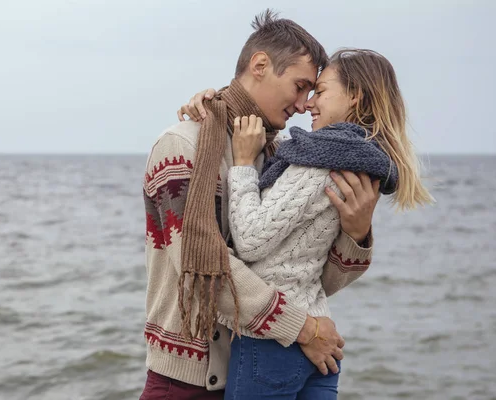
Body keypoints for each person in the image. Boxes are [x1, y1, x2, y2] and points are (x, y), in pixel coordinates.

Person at [140, 10, 380, 400]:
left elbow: (305, 276)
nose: (304, 104)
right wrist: (303, 328)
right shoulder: (181, 147)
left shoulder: (280, 159)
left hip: (262, 362)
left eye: (312, 92)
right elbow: (200, 267)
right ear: (260, 65)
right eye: (300, 86)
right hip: (188, 380)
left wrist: (356, 232)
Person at [177, 48, 434, 399]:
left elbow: (251, 240)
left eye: (321, 91)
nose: (308, 103)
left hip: (274, 343)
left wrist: (241, 163)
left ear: (355, 95)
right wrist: (213, 100)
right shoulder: (360, 160)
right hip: (317, 340)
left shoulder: (317, 163)